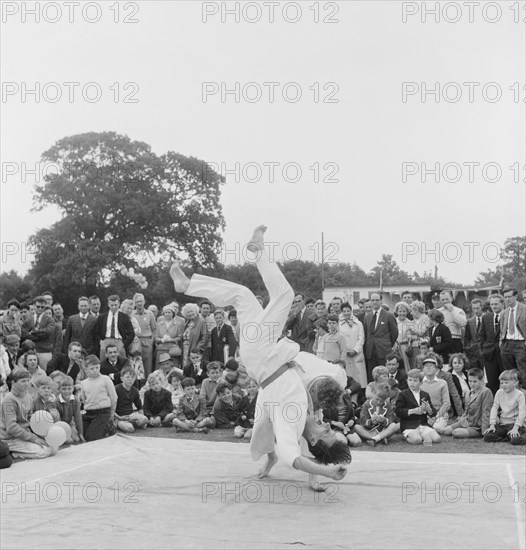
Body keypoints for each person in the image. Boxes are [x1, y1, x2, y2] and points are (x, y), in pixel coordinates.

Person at [170, 225, 350, 490]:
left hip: (263, 355)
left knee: (286, 295)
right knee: (242, 295)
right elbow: (320, 398)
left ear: (313, 440)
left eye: (326, 432)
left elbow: (294, 457)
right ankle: (188, 284)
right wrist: (316, 473)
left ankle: (256, 252)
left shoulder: (293, 417)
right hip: (263, 355)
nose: (326, 425)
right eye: (331, 429)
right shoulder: (308, 408)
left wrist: (327, 473)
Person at [0, 368, 55, 459]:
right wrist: (33, 438)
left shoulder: (28, 396)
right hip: (10, 439)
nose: (26, 383)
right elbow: (11, 428)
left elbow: (31, 419)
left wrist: (40, 435)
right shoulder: (9, 399)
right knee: (44, 451)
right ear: (13, 383)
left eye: (28, 381)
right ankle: (13, 452)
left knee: (51, 447)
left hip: (25, 435)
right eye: (23, 381)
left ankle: (21, 449)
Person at [442, 368, 493, 438]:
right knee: (445, 431)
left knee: (456, 433)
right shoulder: (468, 392)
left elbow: (486, 413)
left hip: (477, 426)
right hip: (466, 422)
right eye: (470, 381)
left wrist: (484, 432)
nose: (472, 384)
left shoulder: (486, 392)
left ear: (481, 381)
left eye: (475, 381)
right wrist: (460, 421)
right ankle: (464, 429)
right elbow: (466, 411)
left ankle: (475, 433)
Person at [395, 369, 440, 445]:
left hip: (423, 424)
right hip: (408, 425)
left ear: (421, 383)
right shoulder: (402, 394)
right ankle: (407, 436)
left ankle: (422, 434)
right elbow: (398, 411)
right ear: (407, 381)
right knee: (417, 440)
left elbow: (433, 413)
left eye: (415, 381)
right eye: (410, 380)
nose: (412, 383)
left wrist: (429, 410)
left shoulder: (425, 395)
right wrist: (413, 411)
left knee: (437, 439)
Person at [80, 355, 118, 442]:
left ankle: (108, 425)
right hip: (89, 413)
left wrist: (111, 414)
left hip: (103, 412)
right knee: (83, 435)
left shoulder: (106, 379)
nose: (95, 370)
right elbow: (84, 400)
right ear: (85, 369)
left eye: (97, 367)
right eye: (92, 368)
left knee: (91, 438)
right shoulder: (83, 383)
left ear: (100, 366)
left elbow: (114, 397)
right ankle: (104, 429)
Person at [363, 293, 399, 382]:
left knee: (384, 375)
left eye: (377, 300)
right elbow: (366, 334)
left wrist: (387, 344)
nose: (374, 302)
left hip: (383, 350)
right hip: (370, 351)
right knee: (372, 376)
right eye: (372, 300)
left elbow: (394, 333)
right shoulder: (367, 317)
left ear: (381, 301)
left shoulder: (389, 316)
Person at [483, 370, 525, 444]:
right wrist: (492, 425)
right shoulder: (499, 392)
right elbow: (494, 408)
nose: (503, 385)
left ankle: (513, 436)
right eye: (502, 383)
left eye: (506, 382)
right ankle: (507, 437)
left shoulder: (520, 394)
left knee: (515, 440)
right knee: (487, 437)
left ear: (514, 383)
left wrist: (516, 428)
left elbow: (522, 411)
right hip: (503, 425)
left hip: (514, 424)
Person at [478, 294, 505, 394]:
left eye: (496, 304)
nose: (494, 306)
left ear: (502, 304)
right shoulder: (486, 317)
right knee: (492, 382)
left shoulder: (507, 315)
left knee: (505, 381)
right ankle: (494, 406)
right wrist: (483, 350)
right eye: (492, 304)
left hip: (504, 354)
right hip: (489, 354)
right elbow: (481, 336)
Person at [500, 288, 526, 386]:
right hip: (506, 344)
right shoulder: (504, 313)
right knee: (509, 373)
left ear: (515, 296)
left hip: (520, 343)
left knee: (522, 371)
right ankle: (512, 394)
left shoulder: (524, 309)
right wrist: (501, 344)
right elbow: (502, 330)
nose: (507, 299)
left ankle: (523, 395)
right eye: (505, 297)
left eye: (509, 296)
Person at [96, 295, 135, 361]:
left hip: (119, 341)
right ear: (108, 304)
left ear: (119, 304)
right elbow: (96, 332)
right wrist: (100, 341)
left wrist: (124, 343)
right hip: (106, 340)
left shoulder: (124, 317)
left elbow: (131, 333)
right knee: (103, 361)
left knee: (122, 361)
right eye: (112, 305)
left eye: (116, 305)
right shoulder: (102, 317)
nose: (114, 307)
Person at [339, 302, 367, 388]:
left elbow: (361, 338)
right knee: (347, 376)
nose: (346, 313)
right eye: (344, 311)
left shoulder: (358, 323)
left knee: (359, 376)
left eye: (348, 311)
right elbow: (338, 338)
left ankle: (360, 395)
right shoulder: (339, 324)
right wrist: (345, 350)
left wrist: (355, 350)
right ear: (342, 312)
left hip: (356, 354)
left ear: (351, 311)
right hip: (345, 354)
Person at [420, 354, 450, 434]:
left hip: (439, 413)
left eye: (431, 366)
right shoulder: (419, 384)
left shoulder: (443, 383)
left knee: (437, 428)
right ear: (423, 369)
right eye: (426, 366)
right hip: (423, 413)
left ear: (436, 369)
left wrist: (435, 417)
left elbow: (446, 404)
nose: (428, 367)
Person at [114, 366, 148, 433]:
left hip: (130, 415)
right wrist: (118, 417)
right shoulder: (116, 389)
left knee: (144, 419)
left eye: (132, 377)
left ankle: (132, 422)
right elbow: (111, 406)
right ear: (122, 378)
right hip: (119, 416)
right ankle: (118, 423)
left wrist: (143, 419)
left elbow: (139, 406)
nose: (130, 379)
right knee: (130, 429)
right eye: (127, 377)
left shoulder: (135, 391)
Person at [132, 293, 156, 378]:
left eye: (141, 301)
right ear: (134, 303)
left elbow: (154, 329)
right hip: (135, 341)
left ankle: (148, 384)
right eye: (137, 301)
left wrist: (152, 340)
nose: (139, 303)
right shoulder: (131, 314)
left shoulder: (149, 313)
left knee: (147, 364)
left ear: (144, 301)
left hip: (147, 340)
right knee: (136, 364)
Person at [154, 304, 184, 370]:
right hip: (161, 349)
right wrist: (161, 340)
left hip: (173, 350)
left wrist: (171, 340)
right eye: (166, 312)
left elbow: (180, 337)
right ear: (163, 314)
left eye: (169, 312)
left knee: (173, 367)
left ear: (173, 313)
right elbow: (155, 337)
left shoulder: (178, 324)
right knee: (160, 368)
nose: (167, 314)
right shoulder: (159, 324)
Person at [56, 375, 84, 443]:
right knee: (69, 441)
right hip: (60, 425)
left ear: (73, 388)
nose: (67, 391)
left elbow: (78, 417)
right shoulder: (56, 402)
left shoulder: (75, 400)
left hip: (70, 423)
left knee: (77, 439)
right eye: (64, 389)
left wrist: (80, 433)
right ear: (59, 389)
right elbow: (57, 420)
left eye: (69, 388)